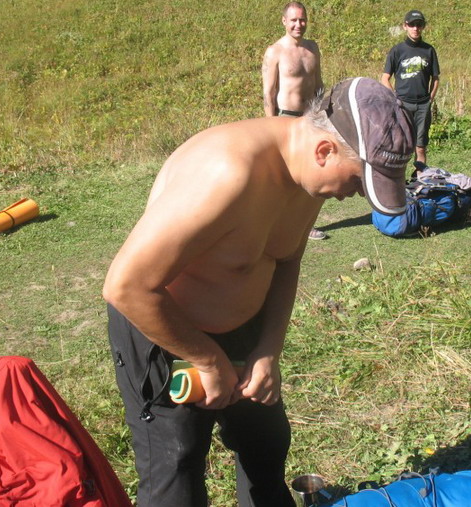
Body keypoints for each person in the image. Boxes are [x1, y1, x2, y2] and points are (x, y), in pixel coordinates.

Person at [103, 78, 413, 507]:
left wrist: (268, 350)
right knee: (177, 468)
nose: (355, 195)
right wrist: (206, 359)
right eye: (360, 181)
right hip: (168, 332)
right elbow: (126, 286)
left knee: (266, 444)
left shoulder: (310, 178)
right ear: (325, 151)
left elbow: (287, 260)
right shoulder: (226, 173)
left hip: (245, 330)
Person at [261, 2, 327, 239]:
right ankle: (274, 225)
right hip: (285, 120)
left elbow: (318, 84)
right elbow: (268, 93)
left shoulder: (312, 48)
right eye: (293, 20)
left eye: (302, 19)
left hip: (310, 118)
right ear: (284, 21)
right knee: (284, 177)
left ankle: (304, 226)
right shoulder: (275, 51)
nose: (299, 24)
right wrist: (270, 127)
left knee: (311, 174)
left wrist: (323, 115)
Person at [381, 9, 440, 166]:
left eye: (419, 25)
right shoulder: (397, 51)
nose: (415, 28)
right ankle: (399, 179)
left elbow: (435, 78)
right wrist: (395, 99)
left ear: (423, 27)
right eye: (412, 25)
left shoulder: (429, 50)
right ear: (405, 26)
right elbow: (385, 78)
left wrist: (430, 99)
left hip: (422, 105)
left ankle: (419, 177)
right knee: (400, 145)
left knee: (420, 147)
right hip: (403, 104)